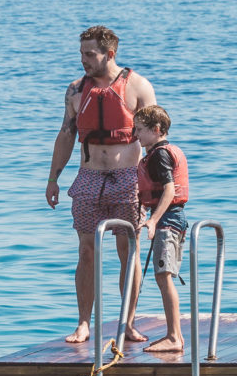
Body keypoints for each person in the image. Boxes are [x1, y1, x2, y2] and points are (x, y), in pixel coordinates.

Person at [46, 25, 158, 344]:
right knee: (86, 250)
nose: (83, 60)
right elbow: (66, 134)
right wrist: (53, 178)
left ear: (110, 54)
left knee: (129, 250)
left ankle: (128, 322)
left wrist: (160, 185)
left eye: (89, 54)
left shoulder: (138, 86)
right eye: (81, 53)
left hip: (127, 179)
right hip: (89, 177)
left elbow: (156, 140)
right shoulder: (75, 90)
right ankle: (84, 323)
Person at [119, 105, 189, 353]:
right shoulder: (156, 153)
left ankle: (174, 337)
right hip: (170, 218)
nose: (135, 135)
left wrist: (152, 220)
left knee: (164, 277)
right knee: (163, 277)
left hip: (169, 219)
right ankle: (175, 336)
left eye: (139, 130)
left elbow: (169, 190)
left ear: (156, 130)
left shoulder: (160, 155)